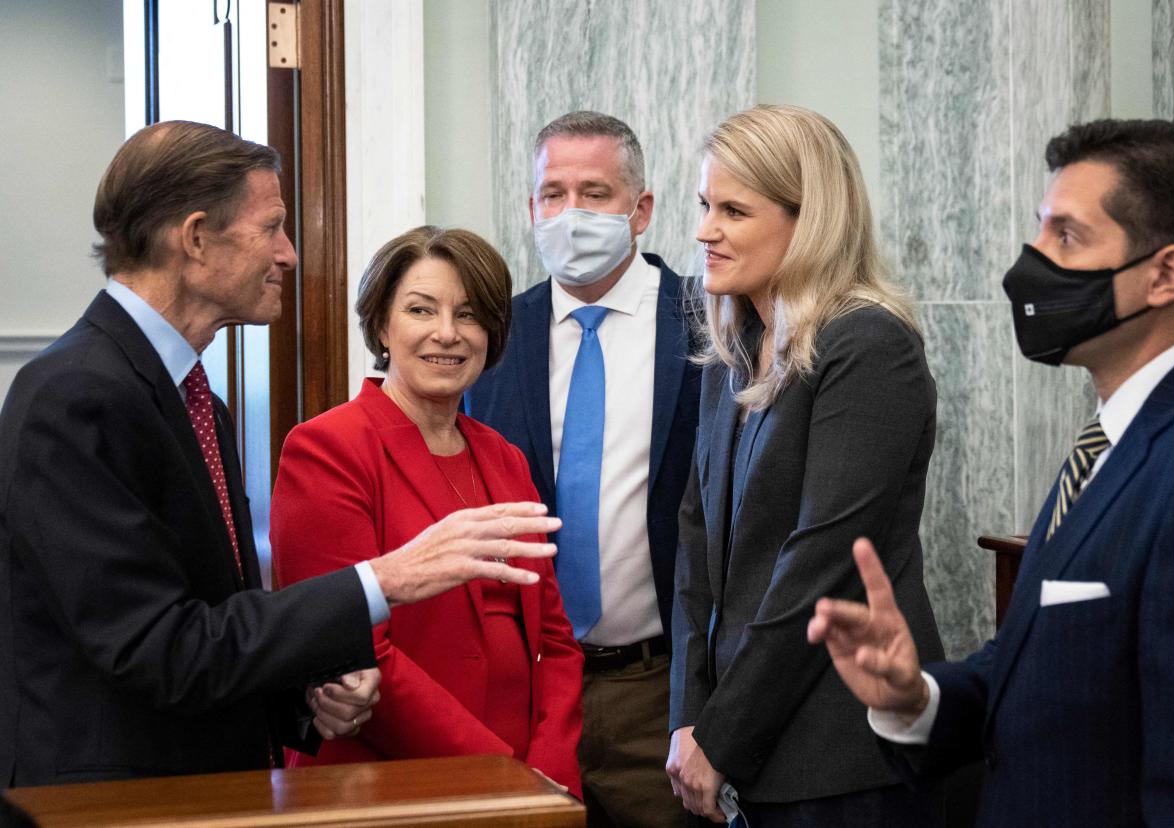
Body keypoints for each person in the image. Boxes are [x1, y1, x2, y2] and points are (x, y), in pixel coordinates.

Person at [0, 121, 560, 788]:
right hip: (114, 797)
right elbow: (156, 648)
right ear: (197, 237)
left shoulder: (198, 402)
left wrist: (307, 696)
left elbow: (215, 625)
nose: (290, 254)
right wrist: (386, 580)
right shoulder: (74, 395)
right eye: (272, 227)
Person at [808, 118, 1174, 824]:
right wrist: (916, 699)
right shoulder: (1116, 437)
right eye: (1040, 230)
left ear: (1166, 274)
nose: (1029, 263)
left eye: (1065, 236)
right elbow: (1048, 663)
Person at [666, 104, 945, 825]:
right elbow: (697, 550)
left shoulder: (869, 345)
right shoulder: (732, 348)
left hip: (837, 757)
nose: (704, 231)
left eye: (733, 210)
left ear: (808, 219)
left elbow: (820, 562)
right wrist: (688, 722)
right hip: (737, 746)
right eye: (705, 205)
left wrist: (723, 737)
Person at [271, 226, 583, 795]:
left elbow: (555, 638)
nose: (447, 334)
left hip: (529, 783)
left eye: (468, 315)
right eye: (421, 309)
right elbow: (352, 644)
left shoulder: (505, 458)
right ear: (383, 325)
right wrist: (500, 775)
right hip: (385, 779)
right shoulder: (327, 449)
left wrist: (550, 768)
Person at [466, 111, 701, 826]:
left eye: (595, 193)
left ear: (641, 210)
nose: (572, 214)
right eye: (553, 193)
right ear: (531, 208)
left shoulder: (710, 324)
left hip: (658, 692)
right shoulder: (491, 337)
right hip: (527, 692)